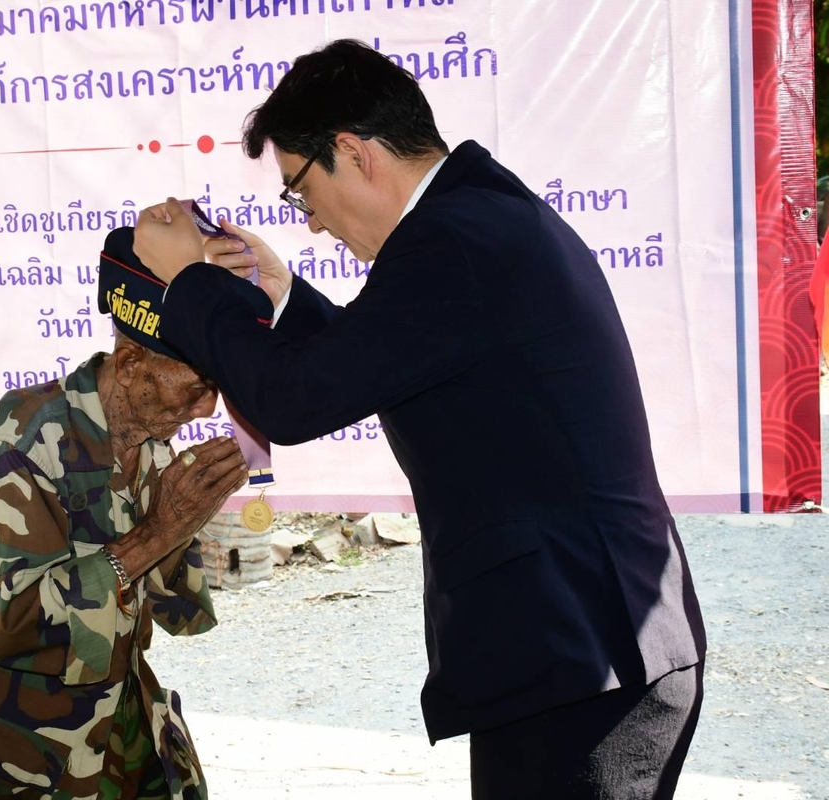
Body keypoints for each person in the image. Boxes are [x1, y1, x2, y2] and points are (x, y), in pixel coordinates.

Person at [132, 38, 706, 800]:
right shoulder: (475, 220)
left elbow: (295, 401)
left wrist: (190, 283)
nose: (309, 224)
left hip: (581, 656)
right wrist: (278, 293)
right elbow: (375, 361)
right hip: (578, 646)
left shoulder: (454, 241)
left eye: (301, 194)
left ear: (353, 152)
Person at [0, 227, 248, 799]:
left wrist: (185, 524)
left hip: (117, 721)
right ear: (131, 363)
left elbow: (180, 614)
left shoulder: (148, 441)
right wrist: (160, 530)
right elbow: (12, 626)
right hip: (19, 753)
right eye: (198, 385)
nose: (207, 407)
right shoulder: (21, 444)